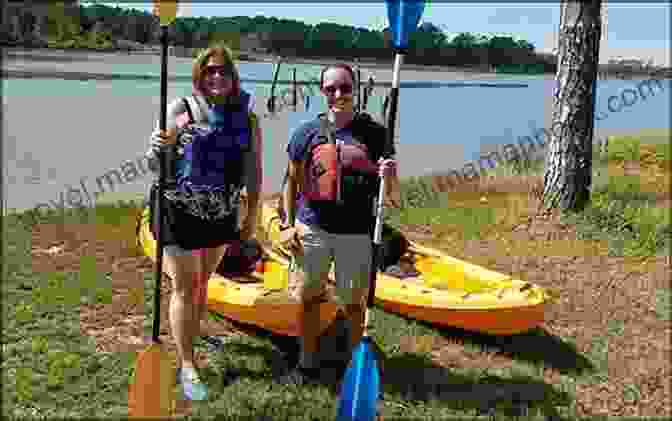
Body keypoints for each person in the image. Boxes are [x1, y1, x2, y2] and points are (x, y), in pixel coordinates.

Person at [145, 43, 262, 400]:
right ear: (199, 73)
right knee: (185, 285)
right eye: (209, 70)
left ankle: (191, 333)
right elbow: (154, 163)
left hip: (222, 213)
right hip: (179, 209)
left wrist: (252, 214)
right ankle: (187, 363)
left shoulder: (248, 117)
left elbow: (253, 171)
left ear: (233, 76)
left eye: (223, 71)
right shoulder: (183, 111)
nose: (216, 76)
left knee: (202, 284)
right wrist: (155, 147)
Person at [278, 63, 400, 384]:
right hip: (311, 229)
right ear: (322, 92)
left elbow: (392, 197)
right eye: (331, 88)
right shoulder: (306, 133)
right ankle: (306, 363)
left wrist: (390, 177)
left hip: (356, 234)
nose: (338, 94)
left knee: (354, 304)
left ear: (355, 89)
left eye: (345, 87)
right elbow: (290, 183)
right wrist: (287, 225)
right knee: (307, 298)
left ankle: (352, 367)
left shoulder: (375, 135)